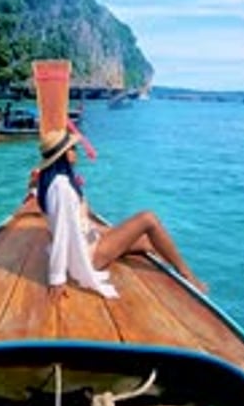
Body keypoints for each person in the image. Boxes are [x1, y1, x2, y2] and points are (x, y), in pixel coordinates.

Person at [36, 128, 207, 302]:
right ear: (65, 154)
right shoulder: (62, 188)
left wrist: (105, 230)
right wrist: (57, 278)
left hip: (89, 242)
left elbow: (73, 223)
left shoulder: (52, 180)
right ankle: (187, 275)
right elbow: (62, 233)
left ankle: (173, 279)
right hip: (89, 255)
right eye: (73, 149)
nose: (76, 152)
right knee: (148, 219)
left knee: (147, 243)